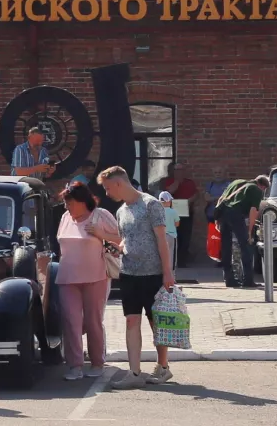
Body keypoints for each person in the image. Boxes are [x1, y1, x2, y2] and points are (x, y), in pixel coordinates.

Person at [99, 167, 176, 389]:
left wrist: (167, 272)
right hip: (129, 273)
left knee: (156, 322)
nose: (106, 193)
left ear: (118, 183)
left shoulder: (151, 204)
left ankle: (163, 367)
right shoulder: (121, 211)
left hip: (153, 274)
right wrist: (117, 249)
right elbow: (126, 240)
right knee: (132, 320)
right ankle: (134, 372)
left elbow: (162, 240)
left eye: (107, 188)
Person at [55, 182, 119, 381]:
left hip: (96, 276)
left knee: (93, 321)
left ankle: (97, 362)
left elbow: (120, 238)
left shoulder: (101, 215)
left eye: (70, 203)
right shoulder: (65, 217)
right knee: (71, 321)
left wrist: (100, 233)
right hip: (67, 277)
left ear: (83, 201)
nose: (67, 207)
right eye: (66, 203)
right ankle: (75, 365)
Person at [214, 175, 270, 289]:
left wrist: (217, 219)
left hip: (223, 213)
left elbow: (221, 199)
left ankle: (229, 280)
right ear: (263, 186)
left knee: (226, 247)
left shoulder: (236, 182)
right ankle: (248, 280)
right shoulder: (256, 190)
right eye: (264, 189)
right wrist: (250, 231)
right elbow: (253, 210)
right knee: (246, 246)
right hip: (236, 214)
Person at [156, 163, 199, 267]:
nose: (179, 172)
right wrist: (177, 182)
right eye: (177, 170)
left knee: (185, 236)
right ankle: (172, 260)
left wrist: (189, 200)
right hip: (171, 213)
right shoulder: (167, 181)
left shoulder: (190, 182)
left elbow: (196, 194)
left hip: (186, 212)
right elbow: (168, 192)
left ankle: (182, 261)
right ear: (173, 171)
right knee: (174, 236)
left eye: (181, 170)